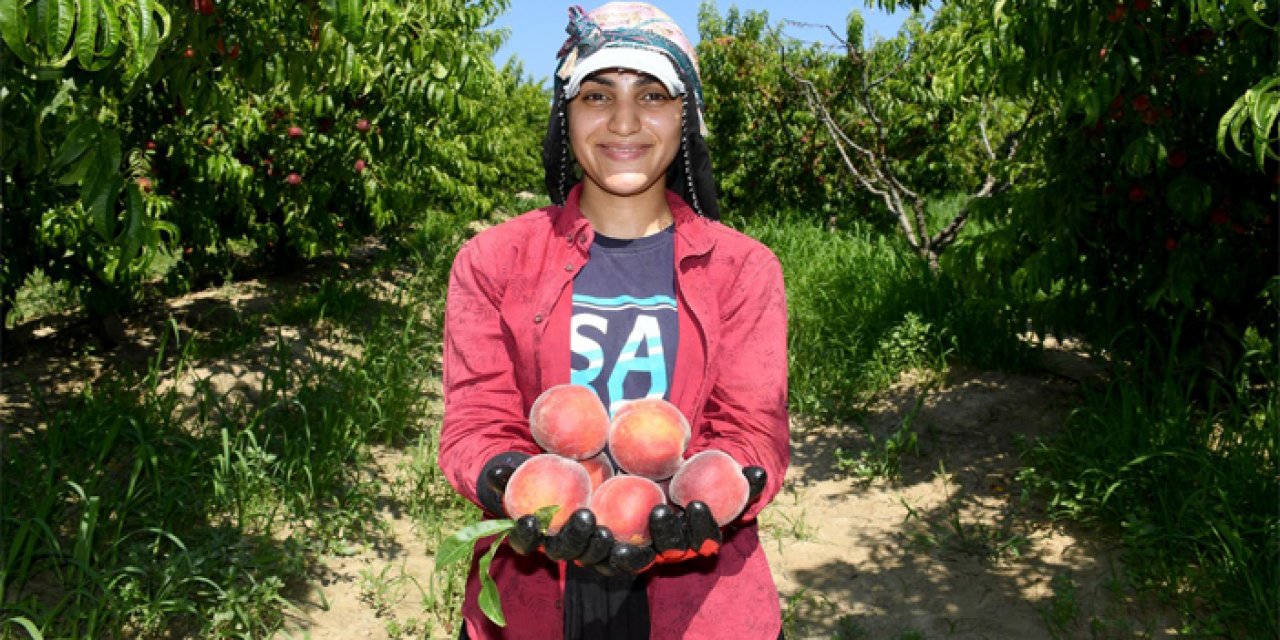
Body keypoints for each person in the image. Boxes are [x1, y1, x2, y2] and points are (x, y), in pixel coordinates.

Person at [438, 3, 790, 638]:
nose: (624, 121)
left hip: (701, 605)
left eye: (653, 95)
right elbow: (476, 420)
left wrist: (706, 502)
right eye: (597, 95)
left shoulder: (743, 268)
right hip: (535, 595)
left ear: (687, 117)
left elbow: (750, 430)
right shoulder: (494, 261)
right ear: (565, 114)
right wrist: (501, 479)